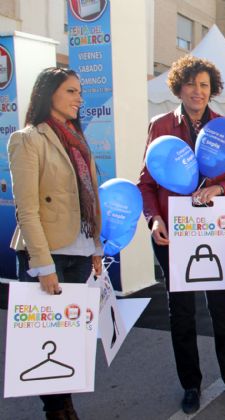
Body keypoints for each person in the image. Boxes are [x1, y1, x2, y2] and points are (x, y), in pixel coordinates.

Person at [137, 56, 225, 414]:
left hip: (213, 231)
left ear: (212, 89)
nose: (197, 91)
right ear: (179, 87)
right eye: (190, 84)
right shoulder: (161, 125)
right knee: (182, 313)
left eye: (204, 85)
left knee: (223, 308)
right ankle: (191, 384)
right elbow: (146, 182)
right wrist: (154, 219)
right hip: (173, 234)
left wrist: (219, 189)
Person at [8, 67, 103, 420]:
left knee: (68, 337)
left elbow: (89, 198)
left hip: (79, 250)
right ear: (49, 93)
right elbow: (27, 209)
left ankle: (65, 405)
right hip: (49, 255)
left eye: (80, 91)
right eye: (71, 91)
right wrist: (43, 265)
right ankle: (58, 410)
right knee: (46, 337)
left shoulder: (78, 139)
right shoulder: (27, 139)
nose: (79, 98)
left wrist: (95, 246)